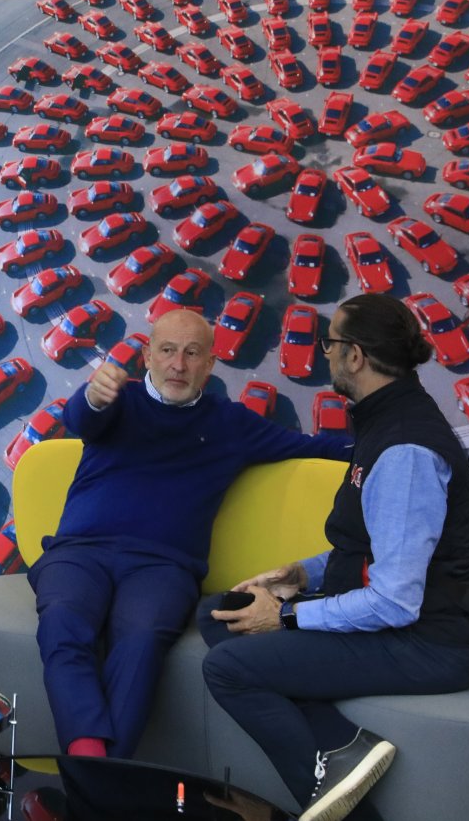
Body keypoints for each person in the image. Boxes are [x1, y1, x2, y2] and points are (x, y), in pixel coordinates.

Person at [201, 294, 469, 821]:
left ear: (355, 355)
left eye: (329, 343)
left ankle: (341, 801)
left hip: (423, 642)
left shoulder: (405, 451)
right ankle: (340, 744)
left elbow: (396, 602)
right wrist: (303, 573)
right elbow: (376, 544)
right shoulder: (385, 419)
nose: (324, 353)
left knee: (229, 668)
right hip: (394, 624)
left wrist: (286, 615)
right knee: (220, 611)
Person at [30, 308, 351, 764]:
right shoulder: (117, 401)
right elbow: (81, 418)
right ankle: (96, 769)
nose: (178, 365)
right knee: (64, 621)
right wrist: (93, 396)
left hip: (163, 566)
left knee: (141, 639)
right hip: (79, 553)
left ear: (210, 364)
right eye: (167, 351)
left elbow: (315, 447)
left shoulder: (230, 423)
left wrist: (391, 442)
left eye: (192, 353)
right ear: (148, 356)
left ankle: (93, 778)